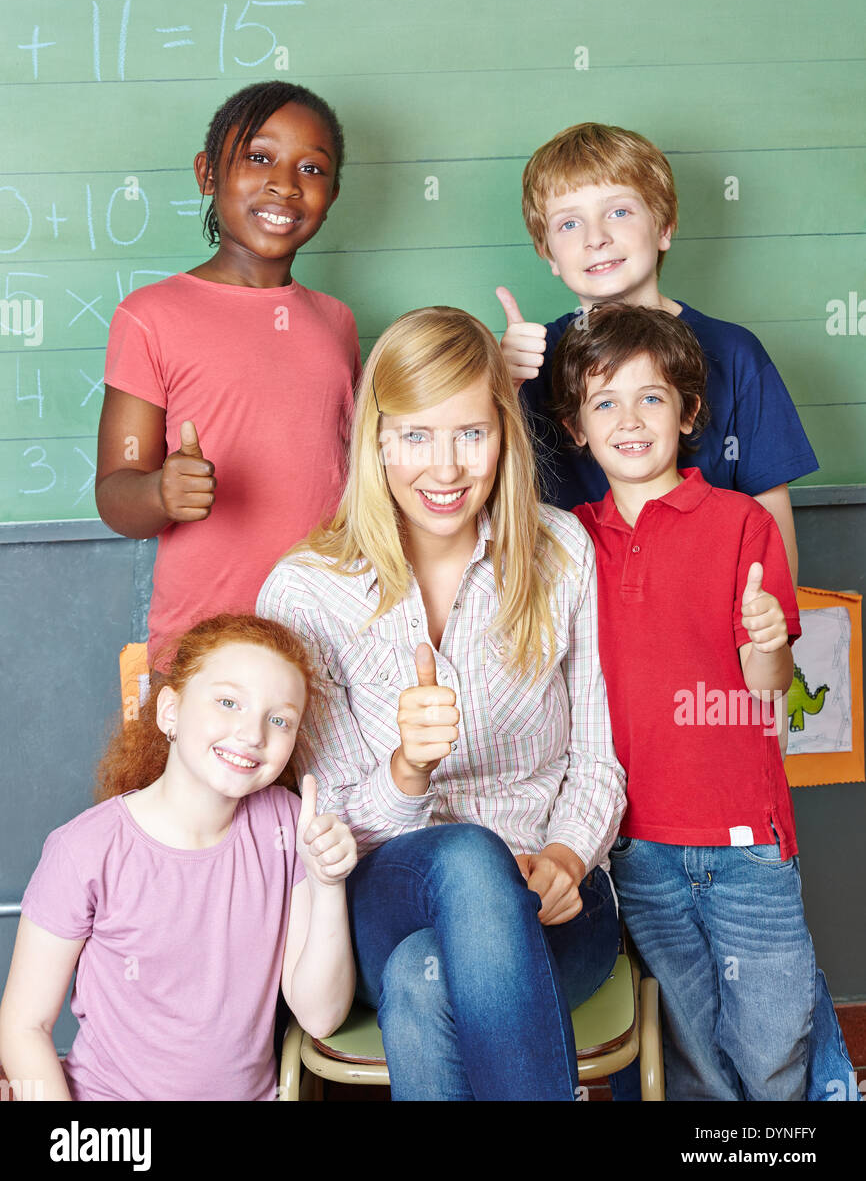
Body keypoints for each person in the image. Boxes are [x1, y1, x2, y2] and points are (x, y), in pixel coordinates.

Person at [257, 306, 626, 1101]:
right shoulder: (307, 592)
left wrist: (566, 857)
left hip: (553, 898)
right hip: (388, 886)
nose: (446, 467)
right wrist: (407, 768)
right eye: (417, 436)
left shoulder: (561, 552)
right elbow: (332, 832)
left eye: (471, 434)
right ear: (378, 440)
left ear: (504, 434)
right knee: (464, 857)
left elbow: (598, 758)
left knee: (425, 984)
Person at [549, 301, 857, 1100]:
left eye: (651, 398)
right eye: (604, 402)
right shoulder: (567, 540)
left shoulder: (742, 523)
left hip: (746, 843)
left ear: (688, 413)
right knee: (686, 1048)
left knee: (772, 1037)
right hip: (636, 846)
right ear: (575, 428)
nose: (629, 419)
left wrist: (766, 642)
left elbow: (770, 691)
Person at [0, 614, 357, 1101]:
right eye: (228, 702)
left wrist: (327, 884)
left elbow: (320, 1015)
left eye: (280, 720)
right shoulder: (84, 850)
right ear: (170, 712)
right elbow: (24, 1026)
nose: (253, 733)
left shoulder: (286, 825)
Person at [95, 81, 361, 664]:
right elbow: (116, 494)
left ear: (333, 193)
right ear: (207, 173)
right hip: (206, 647)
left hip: (332, 638)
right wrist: (160, 492)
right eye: (259, 157)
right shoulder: (150, 317)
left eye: (312, 169)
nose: (285, 184)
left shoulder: (337, 323)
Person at [496, 121, 817, 582]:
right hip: (577, 628)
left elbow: (771, 524)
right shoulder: (529, 364)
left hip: (709, 619)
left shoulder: (735, 352)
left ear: (664, 226)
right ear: (549, 253)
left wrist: (770, 629)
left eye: (619, 212)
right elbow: (483, 498)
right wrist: (500, 386)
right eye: (569, 222)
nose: (596, 236)